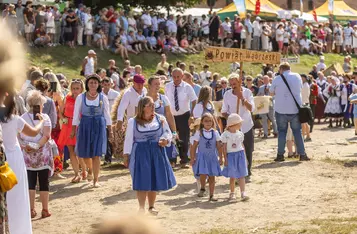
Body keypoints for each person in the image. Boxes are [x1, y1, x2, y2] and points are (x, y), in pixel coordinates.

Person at [123, 96, 176, 215]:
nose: (153, 107)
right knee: (142, 180)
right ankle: (141, 208)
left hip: (156, 151)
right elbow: (128, 139)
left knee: (154, 179)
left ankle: (151, 207)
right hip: (141, 153)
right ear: (142, 108)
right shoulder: (133, 121)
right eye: (150, 105)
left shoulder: (160, 119)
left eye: (153, 105)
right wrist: (126, 155)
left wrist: (165, 140)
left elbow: (168, 133)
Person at [72, 74, 112, 188]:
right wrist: (73, 129)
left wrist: (110, 129)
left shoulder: (102, 97)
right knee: (85, 154)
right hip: (85, 126)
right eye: (91, 82)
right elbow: (76, 115)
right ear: (87, 84)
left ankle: (96, 179)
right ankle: (90, 169)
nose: (93, 84)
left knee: (96, 154)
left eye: (95, 82)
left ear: (99, 84)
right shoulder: (81, 97)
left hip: (99, 126)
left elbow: (107, 114)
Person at [18, 90, 53, 219]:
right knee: (44, 182)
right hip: (42, 154)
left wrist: (27, 146)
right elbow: (47, 135)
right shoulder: (45, 117)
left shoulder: (22, 118)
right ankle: (45, 209)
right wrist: (37, 146)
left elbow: (18, 137)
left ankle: (31, 209)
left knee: (30, 182)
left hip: (27, 154)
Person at [269, 62, 310, 162]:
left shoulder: (277, 78)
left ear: (281, 69)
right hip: (295, 109)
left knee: (282, 132)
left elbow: (271, 92)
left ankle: (280, 155)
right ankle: (302, 154)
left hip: (281, 109)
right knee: (297, 132)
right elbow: (299, 89)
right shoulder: (297, 76)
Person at [221, 73, 255, 181]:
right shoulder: (227, 94)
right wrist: (231, 118)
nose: (233, 86)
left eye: (235, 84)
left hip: (246, 126)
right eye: (231, 84)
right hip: (233, 128)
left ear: (240, 82)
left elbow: (252, 108)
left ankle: (247, 172)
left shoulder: (247, 92)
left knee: (248, 149)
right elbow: (223, 111)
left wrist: (242, 98)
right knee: (234, 150)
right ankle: (236, 173)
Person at [165, 68, 197, 168]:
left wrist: (192, 115)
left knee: (184, 137)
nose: (176, 79)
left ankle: (183, 159)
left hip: (184, 115)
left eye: (178, 76)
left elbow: (194, 100)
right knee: (172, 136)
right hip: (171, 116)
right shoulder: (167, 86)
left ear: (182, 76)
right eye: (174, 77)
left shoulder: (187, 87)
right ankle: (172, 160)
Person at [143, 76, 178, 166]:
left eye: (159, 84)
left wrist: (174, 131)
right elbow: (137, 115)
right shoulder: (142, 99)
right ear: (149, 86)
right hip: (147, 130)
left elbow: (169, 115)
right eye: (155, 84)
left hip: (162, 130)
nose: (158, 86)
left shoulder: (164, 98)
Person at [58, 79, 87, 183]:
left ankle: (84, 170)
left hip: (80, 126)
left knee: (80, 151)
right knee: (71, 151)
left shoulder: (85, 99)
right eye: (73, 88)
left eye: (77, 88)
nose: (75, 91)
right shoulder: (67, 98)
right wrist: (63, 119)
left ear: (81, 89)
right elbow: (60, 112)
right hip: (68, 125)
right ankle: (76, 174)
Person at [190, 113, 222, 201]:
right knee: (203, 174)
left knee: (212, 176)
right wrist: (193, 158)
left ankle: (212, 195)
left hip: (212, 157)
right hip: (202, 156)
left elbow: (219, 146)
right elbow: (194, 146)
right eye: (206, 121)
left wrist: (221, 157)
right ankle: (203, 187)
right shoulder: (199, 133)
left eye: (210, 121)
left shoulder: (215, 133)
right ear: (202, 122)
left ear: (213, 122)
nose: (208, 123)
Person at [221, 113, 249, 202]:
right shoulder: (225, 134)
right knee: (232, 176)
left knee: (242, 175)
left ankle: (243, 192)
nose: (241, 124)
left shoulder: (240, 134)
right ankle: (232, 192)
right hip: (231, 155)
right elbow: (224, 147)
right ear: (234, 124)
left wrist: (245, 157)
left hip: (240, 154)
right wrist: (225, 158)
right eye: (239, 123)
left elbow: (242, 145)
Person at [301, 74, 311, 142]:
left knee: (303, 122)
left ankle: (304, 135)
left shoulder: (305, 85)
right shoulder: (305, 85)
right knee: (305, 122)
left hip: (304, 103)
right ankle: (307, 135)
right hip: (305, 102)